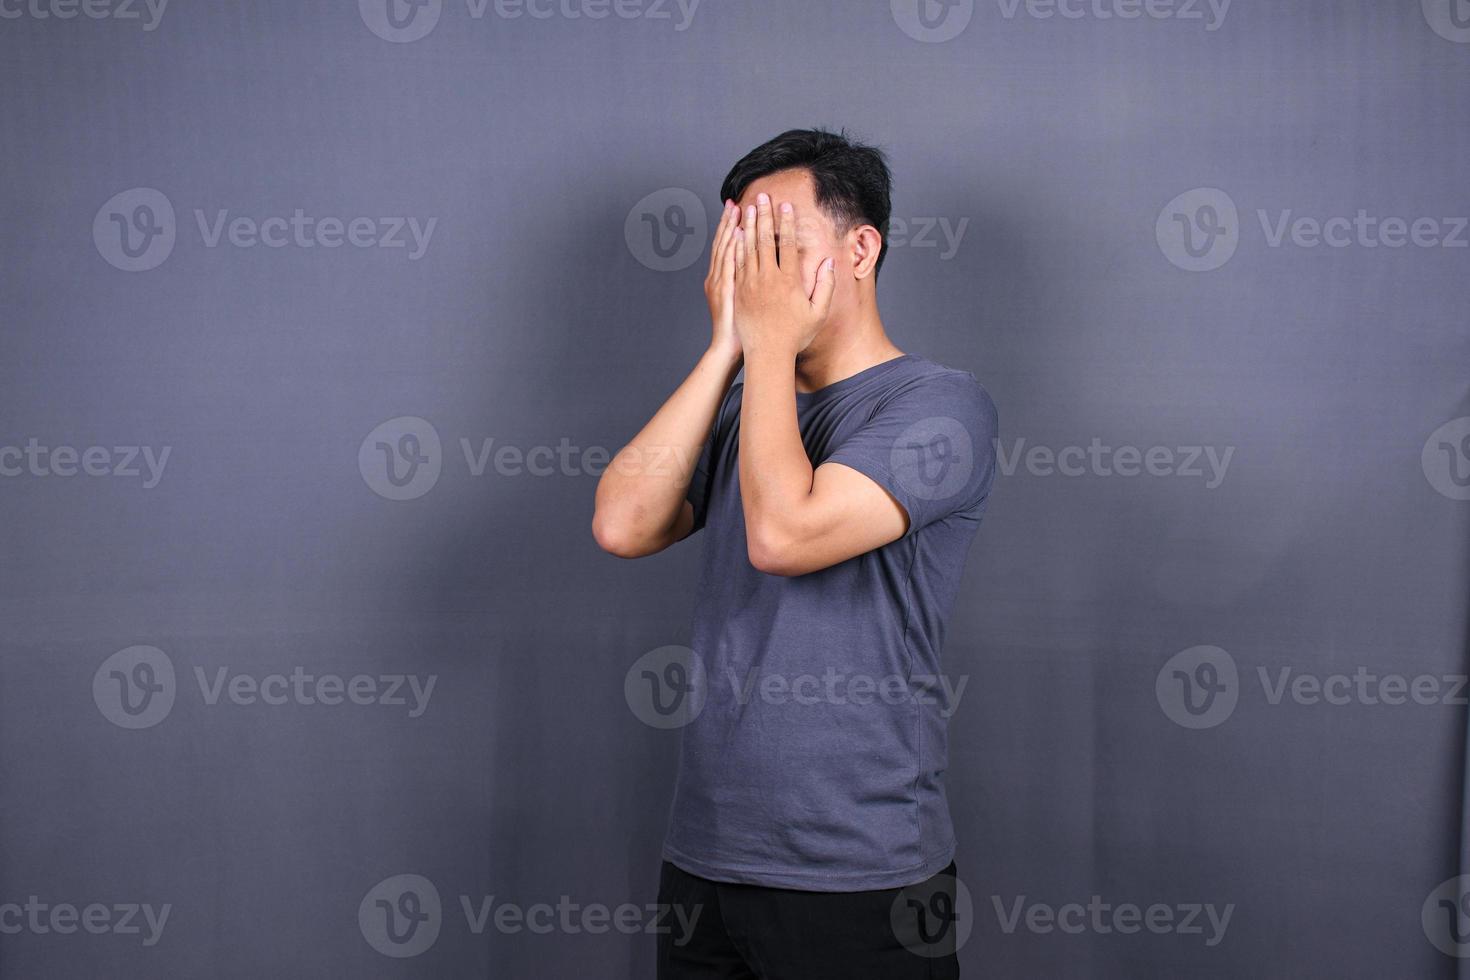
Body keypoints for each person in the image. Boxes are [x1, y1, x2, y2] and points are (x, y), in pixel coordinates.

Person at [593, 128, 998, 978]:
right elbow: (623, 525)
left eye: (781, 246)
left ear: (861, 248)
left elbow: (785, 535)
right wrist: (724, 351)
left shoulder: (942, 407)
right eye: (744, 248)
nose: (758, 275)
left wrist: (768, 346)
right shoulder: (748, 402)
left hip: (861, 869)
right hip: (707, 857)